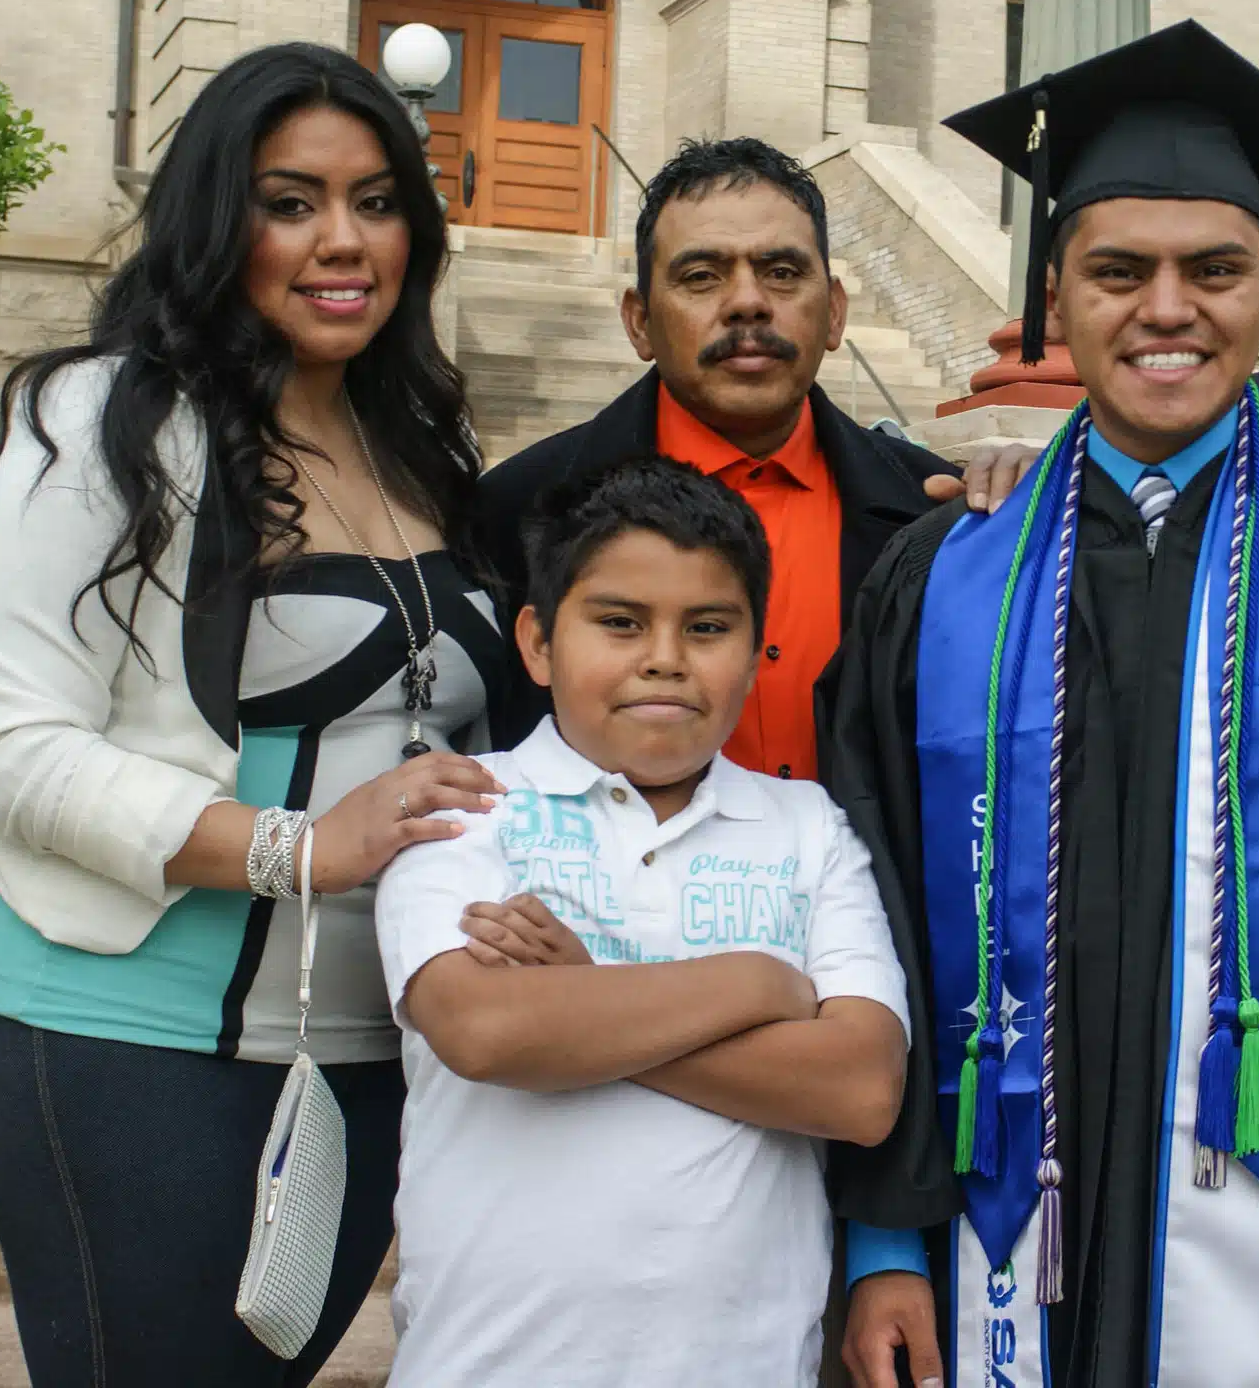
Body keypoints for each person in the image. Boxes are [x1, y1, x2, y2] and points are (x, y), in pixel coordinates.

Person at [823, 20, 1259, 1388]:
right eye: (1118, 272)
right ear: (1056, 298)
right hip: (987, 1230)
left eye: (1212, 272)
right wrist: (882, 1245)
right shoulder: (944, 568)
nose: (1166, 310)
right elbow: (877, 918)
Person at [0, 42, 516, 1385]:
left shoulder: (423, 439)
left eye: (377, 200)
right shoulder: (108, 421)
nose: (342, 240)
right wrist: (297, 845)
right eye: (290, 199)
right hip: (117, 1026)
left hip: (370, 1046)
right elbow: (11, 752)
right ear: (215, 215)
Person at [377, 456, 910, 1384]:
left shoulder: (808, 828)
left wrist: (581, 998)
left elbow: (859, 1090)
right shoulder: (465, 806)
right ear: (539, 644)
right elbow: (486, 1030)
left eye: (707, 628)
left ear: (754, 649)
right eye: (620, 623)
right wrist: (759, 986)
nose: (665, 657)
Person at [474, 137, 1028, 787]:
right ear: (639, 322)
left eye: (783, 273)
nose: (748, 303)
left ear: (835, 313)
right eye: (701, 276)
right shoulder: (517, 510)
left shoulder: (932, 509)